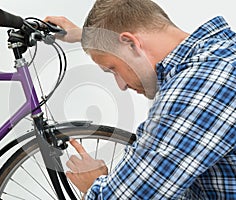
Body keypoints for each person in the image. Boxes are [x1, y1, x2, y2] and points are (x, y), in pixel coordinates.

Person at [45, 0, 236, 199]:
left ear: (131, 44)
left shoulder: (202, 85)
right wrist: (86, 36)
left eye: (112, 69)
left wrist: (94, 183)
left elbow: (125, 197)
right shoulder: (221, 53)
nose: (121, 85)